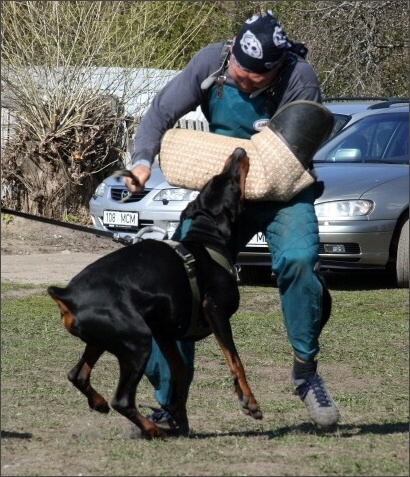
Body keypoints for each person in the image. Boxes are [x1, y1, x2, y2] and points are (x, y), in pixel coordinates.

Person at [124, 11, 340, 435]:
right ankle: (170, 405)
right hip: (226, 198)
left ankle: (305, 372)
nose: (242, 78)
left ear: (277, 67)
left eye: (254, 77)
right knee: (177, 280)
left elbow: (289, 161)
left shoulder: (301, 78)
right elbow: (161, 110)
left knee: (299, 260)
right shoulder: (210, 62)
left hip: (282, 193)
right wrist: (142, 162)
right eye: (238, 68)